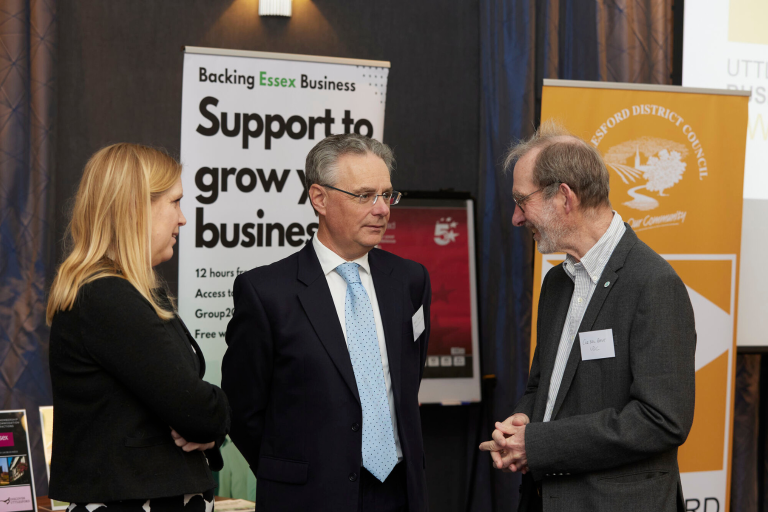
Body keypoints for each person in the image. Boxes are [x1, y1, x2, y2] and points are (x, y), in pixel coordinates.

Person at [479, 122, 696, 512]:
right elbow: (544, 386)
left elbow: (662, 420)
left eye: (520, 201)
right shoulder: (557, 283)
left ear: (564, 197)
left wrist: (539, 445)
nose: (515, 217)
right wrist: (522, 423)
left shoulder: (653, 283)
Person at [222, 133, 431, 512]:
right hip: (308, 497)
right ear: (319, 198)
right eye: (365, 195)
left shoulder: (410, 280)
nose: (382, 209)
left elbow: (408, 378)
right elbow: (243, 408)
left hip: (399, 493)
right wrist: (289, 472)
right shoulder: (266, 292)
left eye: (387, 195)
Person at [47, 143, 230, 512]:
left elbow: (191, 411)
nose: (182, 218)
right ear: (135, 209)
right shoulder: (106, 298)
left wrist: (205, 428)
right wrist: (213, 418)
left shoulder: (128, 294)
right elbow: (197, 409)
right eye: (175, 202)